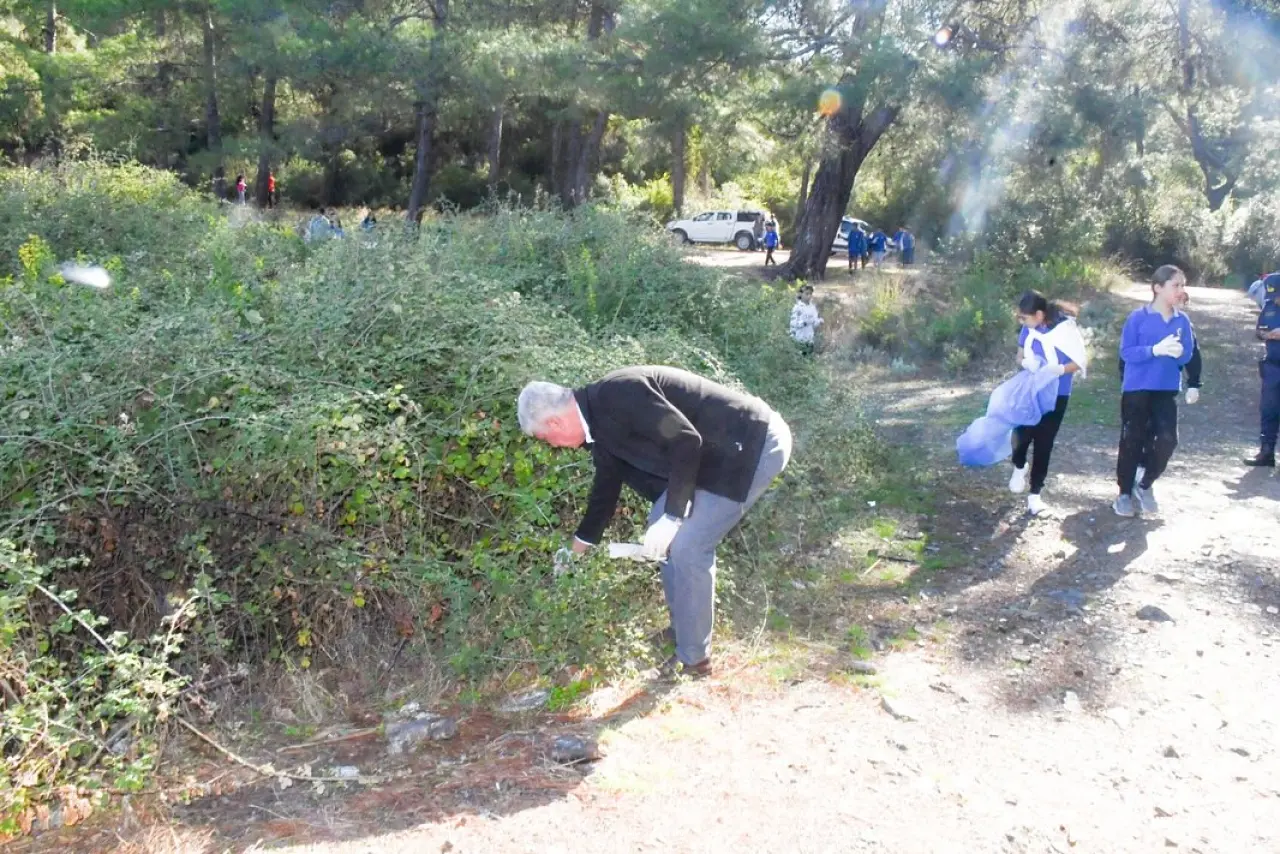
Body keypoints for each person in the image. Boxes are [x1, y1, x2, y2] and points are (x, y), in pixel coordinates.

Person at [517, 368, 792, 678]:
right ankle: (683, 630)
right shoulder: (597, 427)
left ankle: (695, 660)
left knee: (688, 546)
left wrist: (674, 516)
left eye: (546, 438)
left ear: (555, 423)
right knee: (660, 530)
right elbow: (606, 490)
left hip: (752, 444)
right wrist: (574, 551)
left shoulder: (618, 394)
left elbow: (686, 440)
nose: (553, 445)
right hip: (712, 457)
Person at [1113, 265, 1196, 517]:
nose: (1181, 290)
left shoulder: (1182, 321)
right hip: (1137, 388)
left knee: (1168, 439)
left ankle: (1145, 483)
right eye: (1175, 285)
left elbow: (1189, 355)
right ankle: (1124, 494)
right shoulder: (1138, 317)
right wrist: (1154, 350)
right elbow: (1126, 352)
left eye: (1183, 285)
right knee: (1132, 440)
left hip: (1166, 388)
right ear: (1158, 288)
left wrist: (1181, 354)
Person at [1008, 291, 1082, 516]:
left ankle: (1035, 494)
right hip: (1031, 390)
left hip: (1058, 393)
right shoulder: (1028, 330)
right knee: (1020, 435)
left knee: (1044, 443)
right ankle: (1019, 465)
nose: (1022, 322)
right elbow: (1019, 356)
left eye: (1024, 317)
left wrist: (1058, 369)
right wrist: (1025, 363)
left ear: (1039, 315)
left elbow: (1078, 362)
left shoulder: (1065, 330)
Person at [1244, 275, 1280, 467]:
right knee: (1269, 410)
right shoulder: (1269, 307)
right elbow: (1260, 330)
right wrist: (1267, 335)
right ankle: (1266, 453)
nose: (1276, 299)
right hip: (1273, 367)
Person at [789, 284, 823, 355]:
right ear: (801, 294)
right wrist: (804, 323)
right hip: (800, 339)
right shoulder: (797, 307)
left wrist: (819, 321)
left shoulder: (812, 307)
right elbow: (793, 324)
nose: (809, 296)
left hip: (810, 339)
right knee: (801, 358)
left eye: (810, 294)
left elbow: (814, 323)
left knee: (809, 358)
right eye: (807, 294)